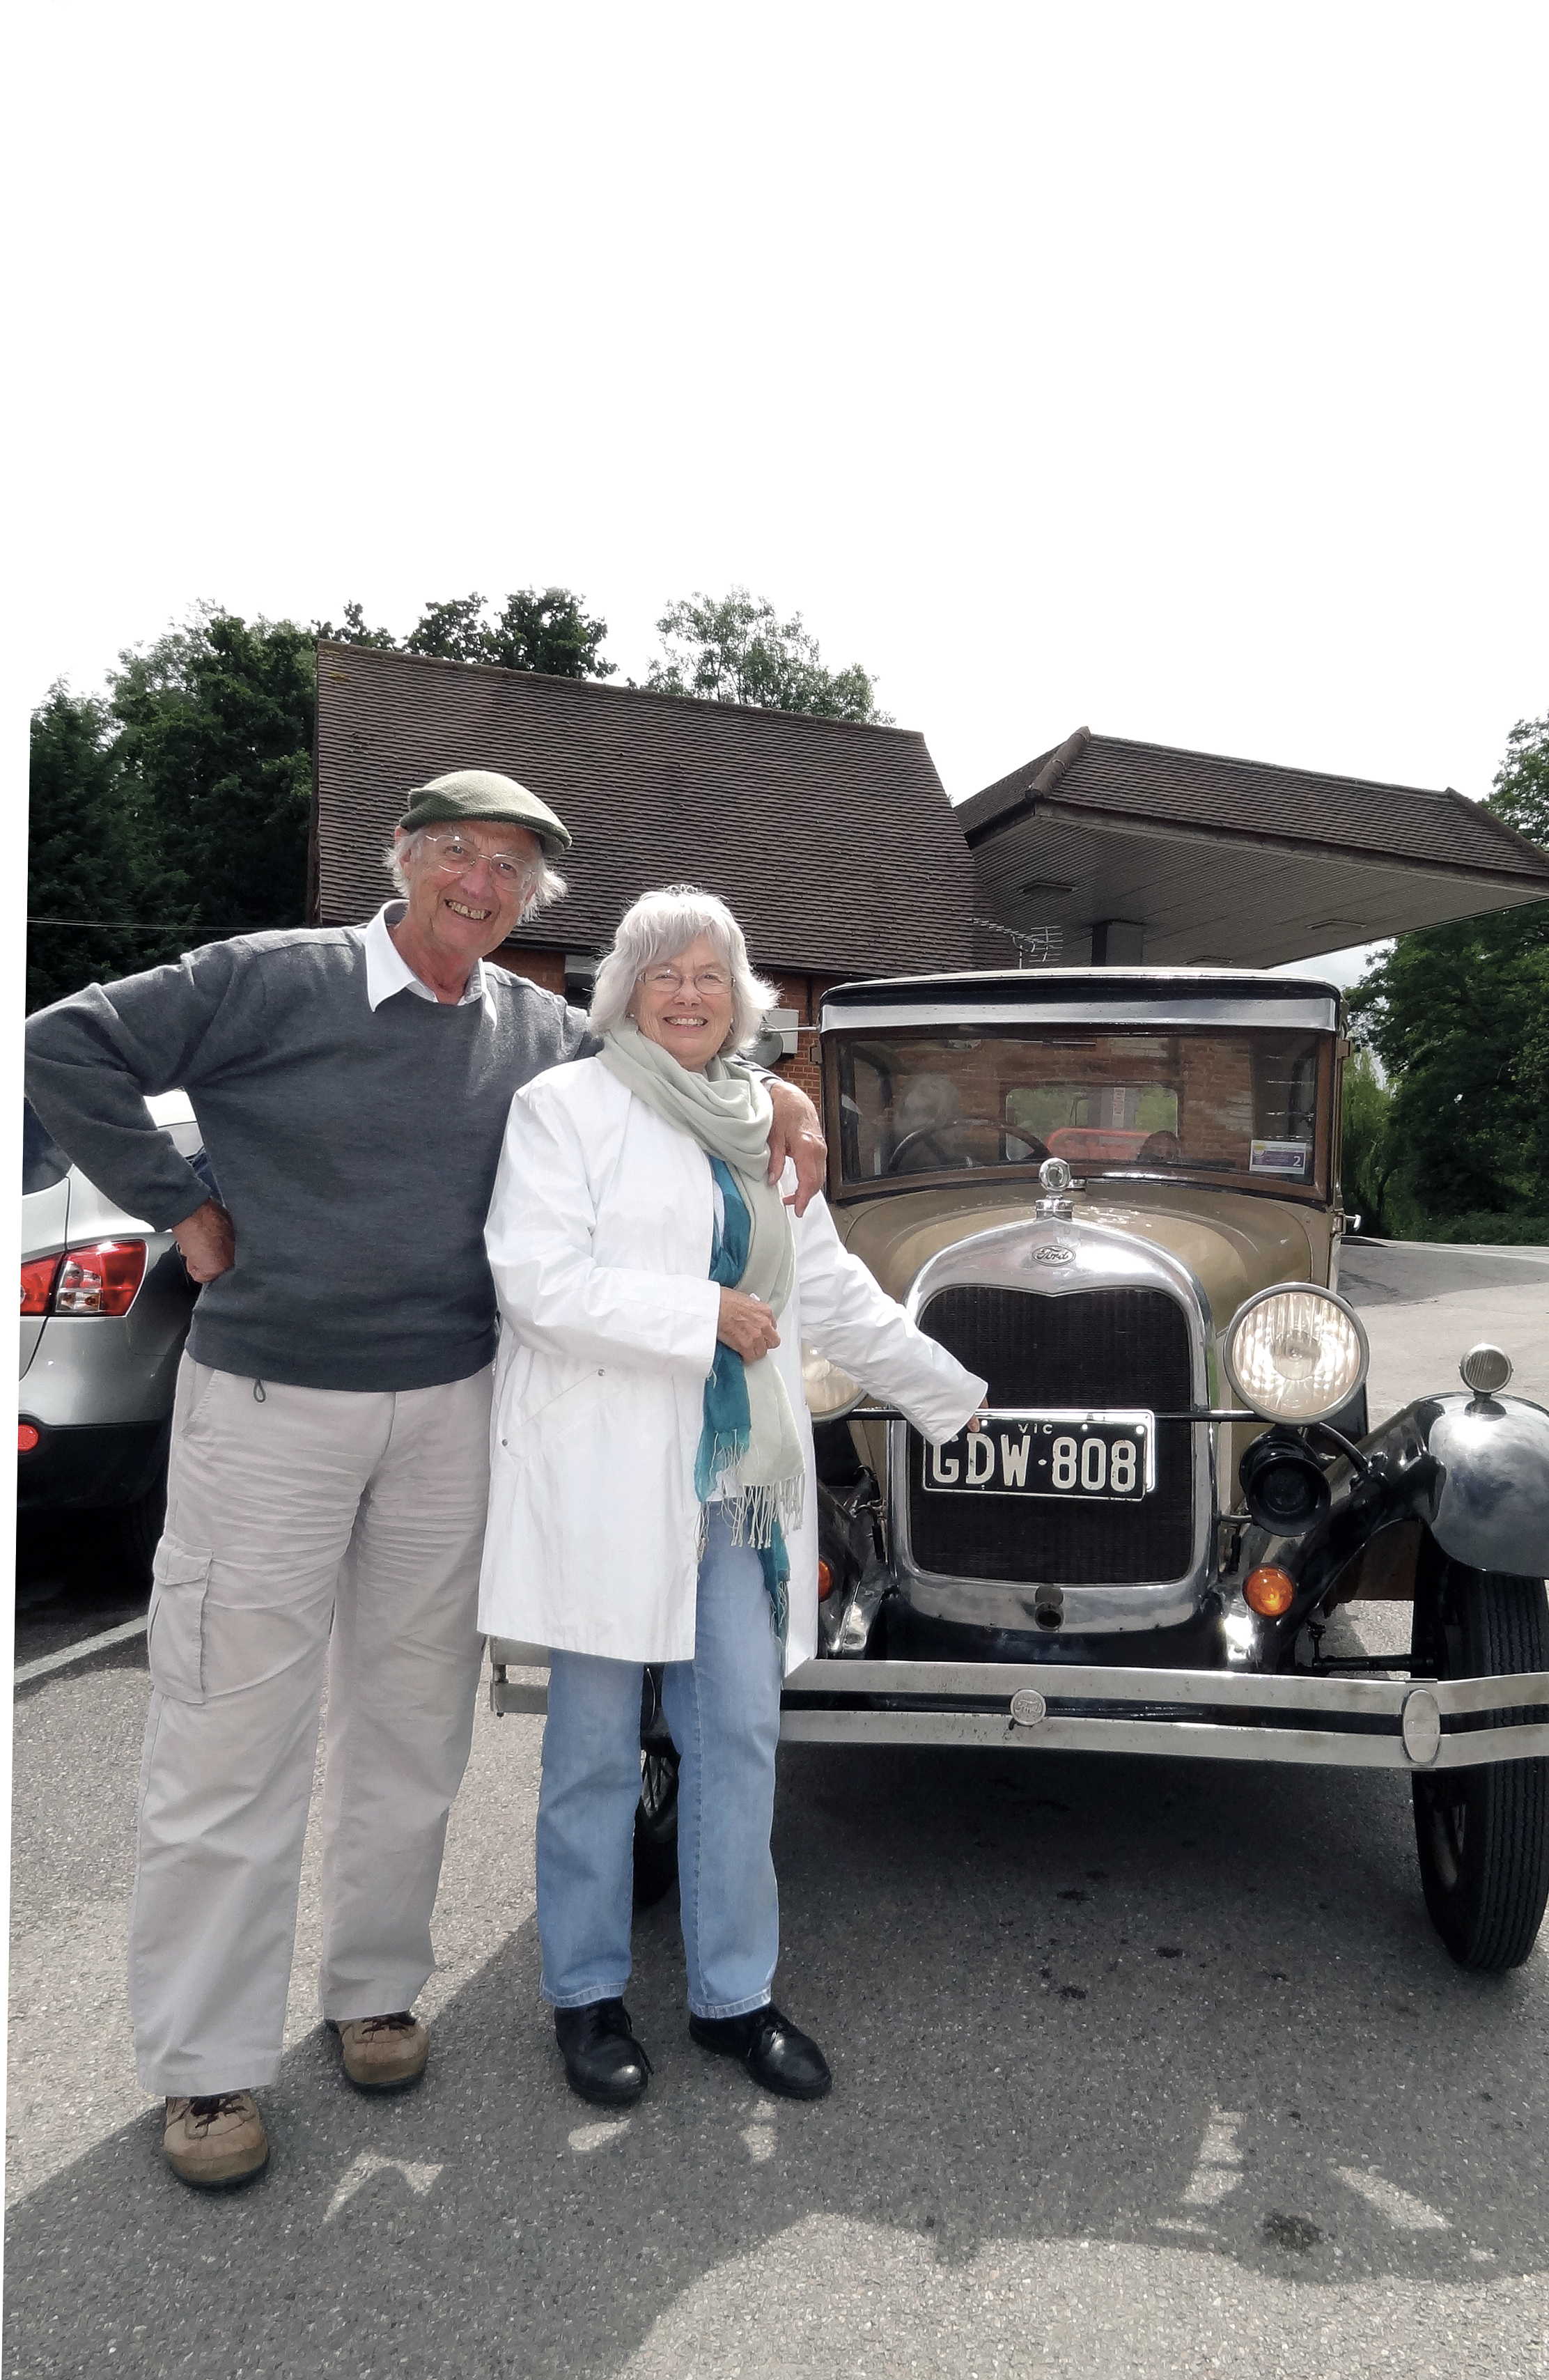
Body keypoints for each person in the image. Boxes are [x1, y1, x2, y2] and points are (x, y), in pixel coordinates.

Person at [22, 772, 827, 2188]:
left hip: (452, 1411)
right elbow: (62, 1045)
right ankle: (208, 2072)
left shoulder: (529, 1033)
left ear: (531, 899)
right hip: (271, 1406)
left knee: (413, 1725)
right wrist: (179, 1205)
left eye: (509, 866)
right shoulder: (272, 980)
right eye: (455, 851)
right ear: (401, 857)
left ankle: (374, 1990)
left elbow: (676, 1077)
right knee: (232, 1738)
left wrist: (796, 1107)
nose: (478, 880)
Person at [478, 887, 986, 2106]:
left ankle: (733, 1998)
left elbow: (833, 1289)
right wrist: (700, 1314)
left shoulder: (761, 1122)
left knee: (738, 1737)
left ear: (743, 993)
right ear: (626, 992)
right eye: (667, 974)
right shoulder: (566, 1108)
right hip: (608, 1481)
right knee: (596, 1749)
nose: (691, 994)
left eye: (712, 974)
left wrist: (957, 1394)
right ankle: (588, 1995)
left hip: (733, 1496)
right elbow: (535, 1281)